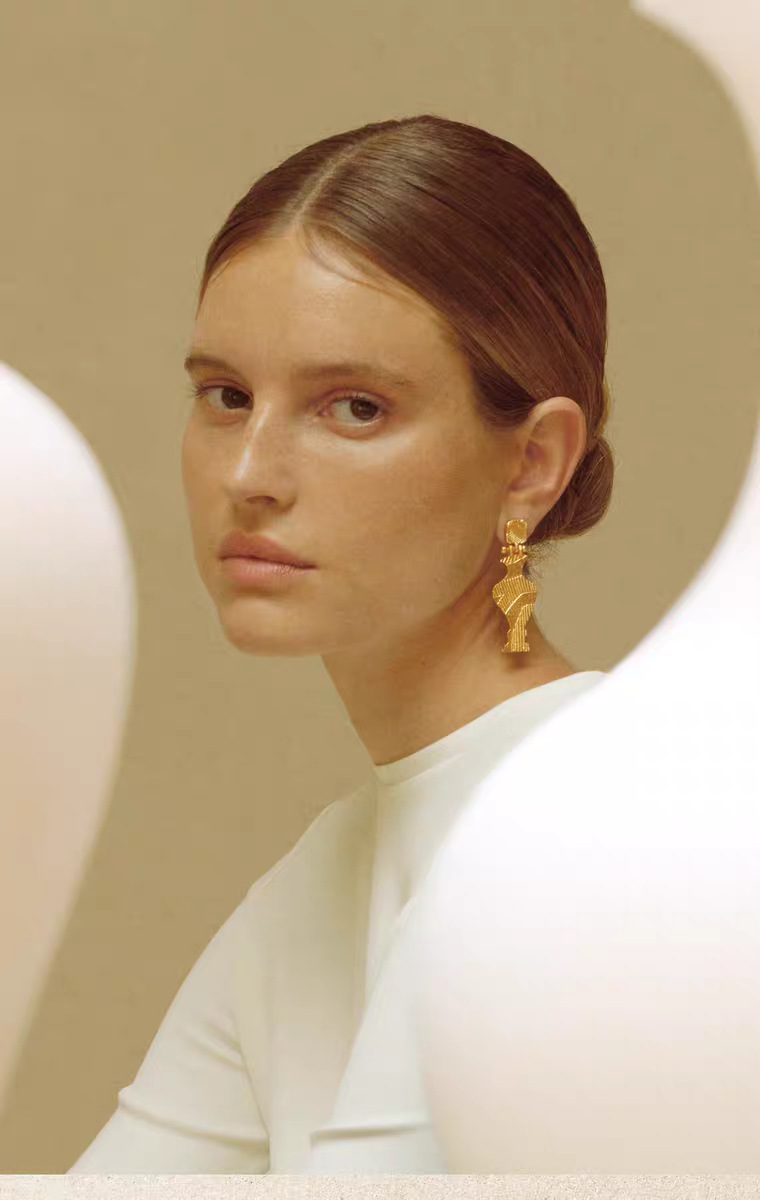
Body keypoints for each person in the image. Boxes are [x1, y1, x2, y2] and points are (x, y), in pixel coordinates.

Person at [67, 111, 613, 1174]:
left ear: (532, 464)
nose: (249, 474)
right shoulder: (324, 880)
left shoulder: (577, 821)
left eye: (353, 408)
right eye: (226, 397)